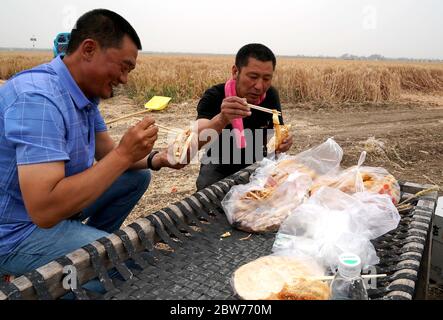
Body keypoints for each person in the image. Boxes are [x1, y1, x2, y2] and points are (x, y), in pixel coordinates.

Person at [0, 9, 181, 284]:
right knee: (128, 264)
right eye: (124, 67)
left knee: (136, 177)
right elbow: (45, 210)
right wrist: (124, 154)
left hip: (54, 211)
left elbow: (107, 154)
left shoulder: (83, 94)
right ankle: (74, 270)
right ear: (88, 49)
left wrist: (158, 159)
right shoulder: (38, 99)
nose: (124, 80)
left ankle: (83, 254)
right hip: (17, 230)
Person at [195, 43, 293, 190]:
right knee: (207, 199)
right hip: (219, 162)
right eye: (253, 77)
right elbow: (197, 138)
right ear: (235, 71)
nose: (259, 86)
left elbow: (275, 132)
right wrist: (222, 119)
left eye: (267, 78)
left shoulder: (271, 95)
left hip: (258, 161)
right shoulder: (215, 95)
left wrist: (282, 141)